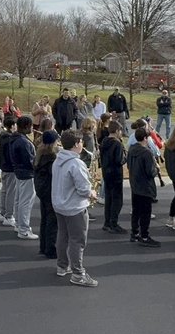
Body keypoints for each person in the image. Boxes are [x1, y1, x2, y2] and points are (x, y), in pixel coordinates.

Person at [52, 130, 98, 287]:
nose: (82, 144)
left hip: (59, 205)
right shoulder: (76, 163)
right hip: (74, 208)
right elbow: (83, 189)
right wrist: (92, 193)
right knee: (77, 240)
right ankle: (78, 273)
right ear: (76, 144)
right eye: (81, 142)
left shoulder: (58, 159)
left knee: (62, 236)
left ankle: (62, 266)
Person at [127, 128, 160, 247]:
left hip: (135, 184)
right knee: (146, 213)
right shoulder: (147, 153)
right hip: (145, 186)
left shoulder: (131, 149)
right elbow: (150, 172)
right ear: (145, 138)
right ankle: (144, 236)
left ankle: (134, 233)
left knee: (136, 210)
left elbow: (128, 165)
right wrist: (157, 168)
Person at [6, 115, 37, 240]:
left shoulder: (15, 138)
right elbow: (29, 161)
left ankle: (19, 224)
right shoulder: (23, 142)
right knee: (26, 202)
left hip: (19, 172)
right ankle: (23, 229)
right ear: (26, 127)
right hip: (27, 173)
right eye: (31, 126)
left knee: (19, 200)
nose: (32, 129)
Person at [34, 131, 60, 260]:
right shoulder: (52, 158)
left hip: (42, 190)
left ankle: (43, 246)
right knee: (52, 221)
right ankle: (51, 248)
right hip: (50, 191)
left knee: (44, 219)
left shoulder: (40, 154)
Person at [99, 120, 126, 234]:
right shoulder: (117, 144)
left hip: (106, 172)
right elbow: (119, 160)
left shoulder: (104, 141)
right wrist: (125, 157)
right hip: (116, 174)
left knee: (109, 198)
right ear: (117, 131)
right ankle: (113, 223)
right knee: (117, 200)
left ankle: (107, 222)